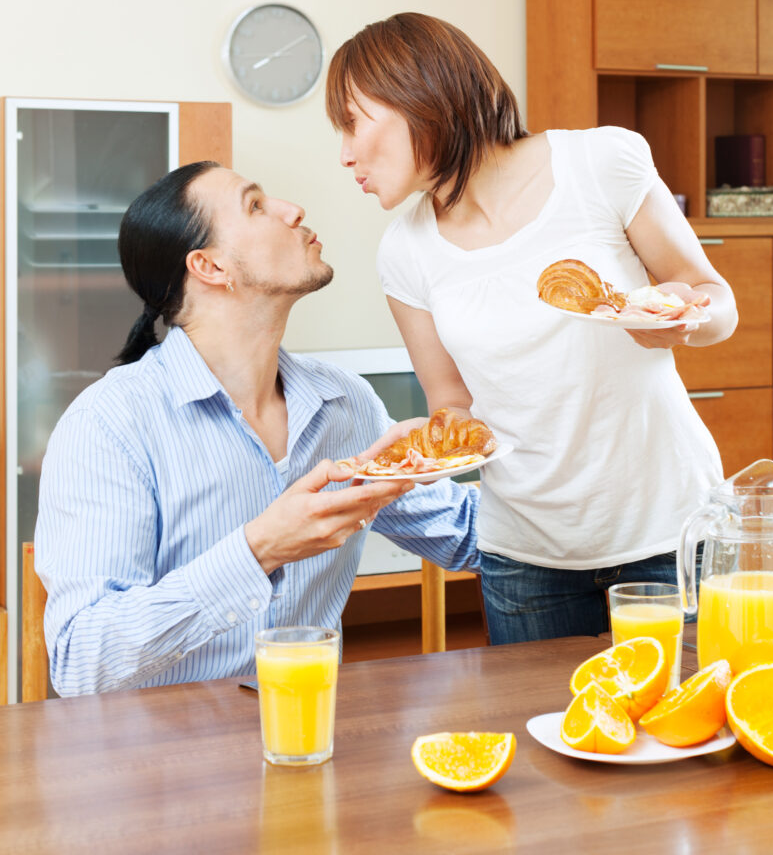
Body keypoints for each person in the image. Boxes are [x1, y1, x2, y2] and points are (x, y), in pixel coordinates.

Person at [325, 12, 738, 645]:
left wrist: (683, 320)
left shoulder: (600, 162)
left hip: (672, 531)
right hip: (525, 558)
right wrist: (431, 442)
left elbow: (717, 301)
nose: (347, 153)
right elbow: (453, 402)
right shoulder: (403, 252)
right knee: (548, 737)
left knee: (687, 733)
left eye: (354, 123)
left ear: (420, 96)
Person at [35, 160, 479, 695]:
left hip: (310, 742)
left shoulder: (345, 405)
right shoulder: (109, 424)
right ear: (210, 266)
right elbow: (83, 662)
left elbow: (467, 535)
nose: (293, 211)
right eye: (256, 205)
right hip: (160, 767)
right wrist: (260, 548)